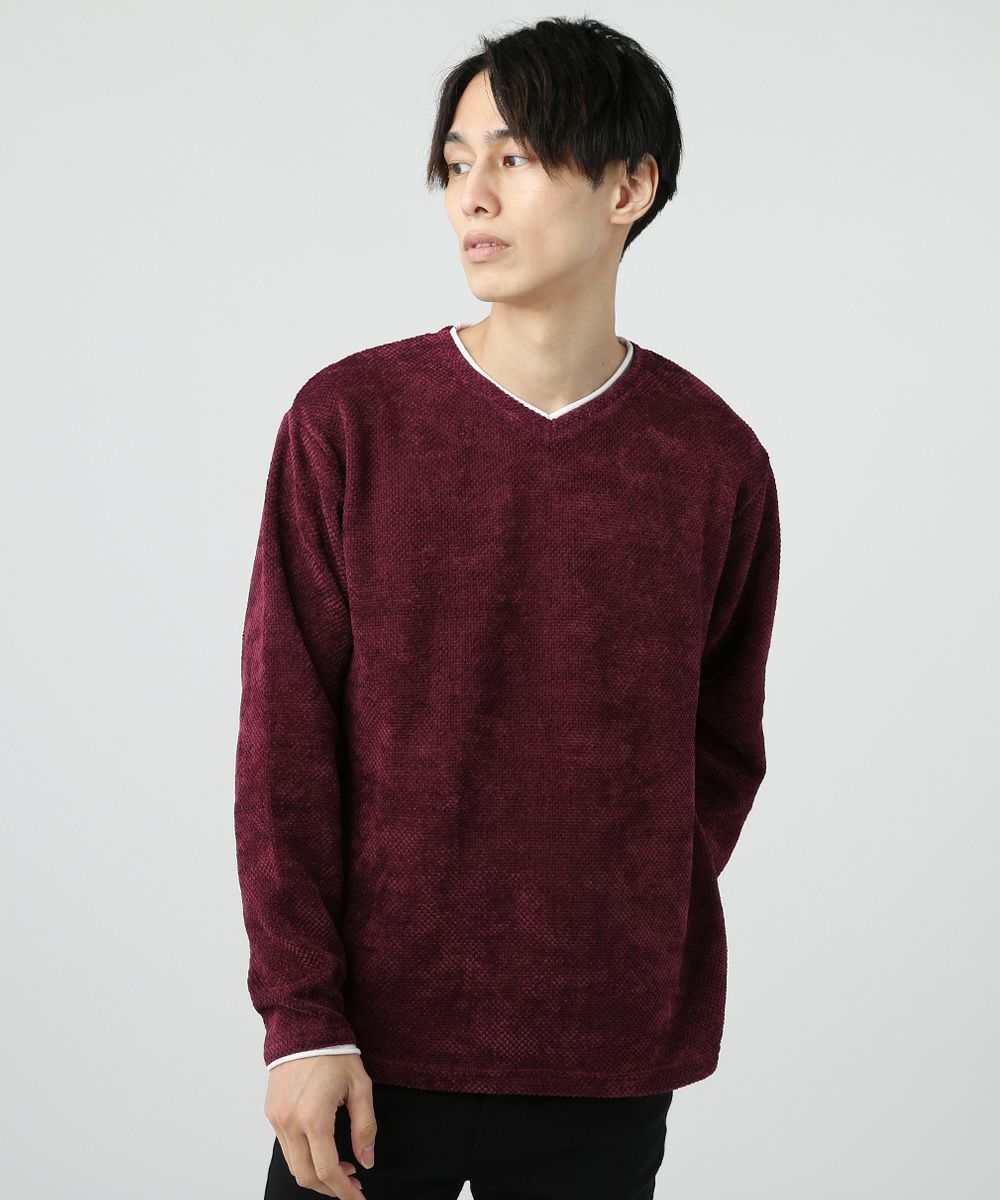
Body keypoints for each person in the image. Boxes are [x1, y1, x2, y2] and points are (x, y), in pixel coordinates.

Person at [234, 16, 781, 1200]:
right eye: (456, 161)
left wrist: (628, 913)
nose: (471, 195)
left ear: (629, 187)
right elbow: (284, 743)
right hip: (368, 1049)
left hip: (605, 1058)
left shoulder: (711, 460)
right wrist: (302, 1017)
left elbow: (719, 746)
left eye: (516, 156)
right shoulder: (349, 422)